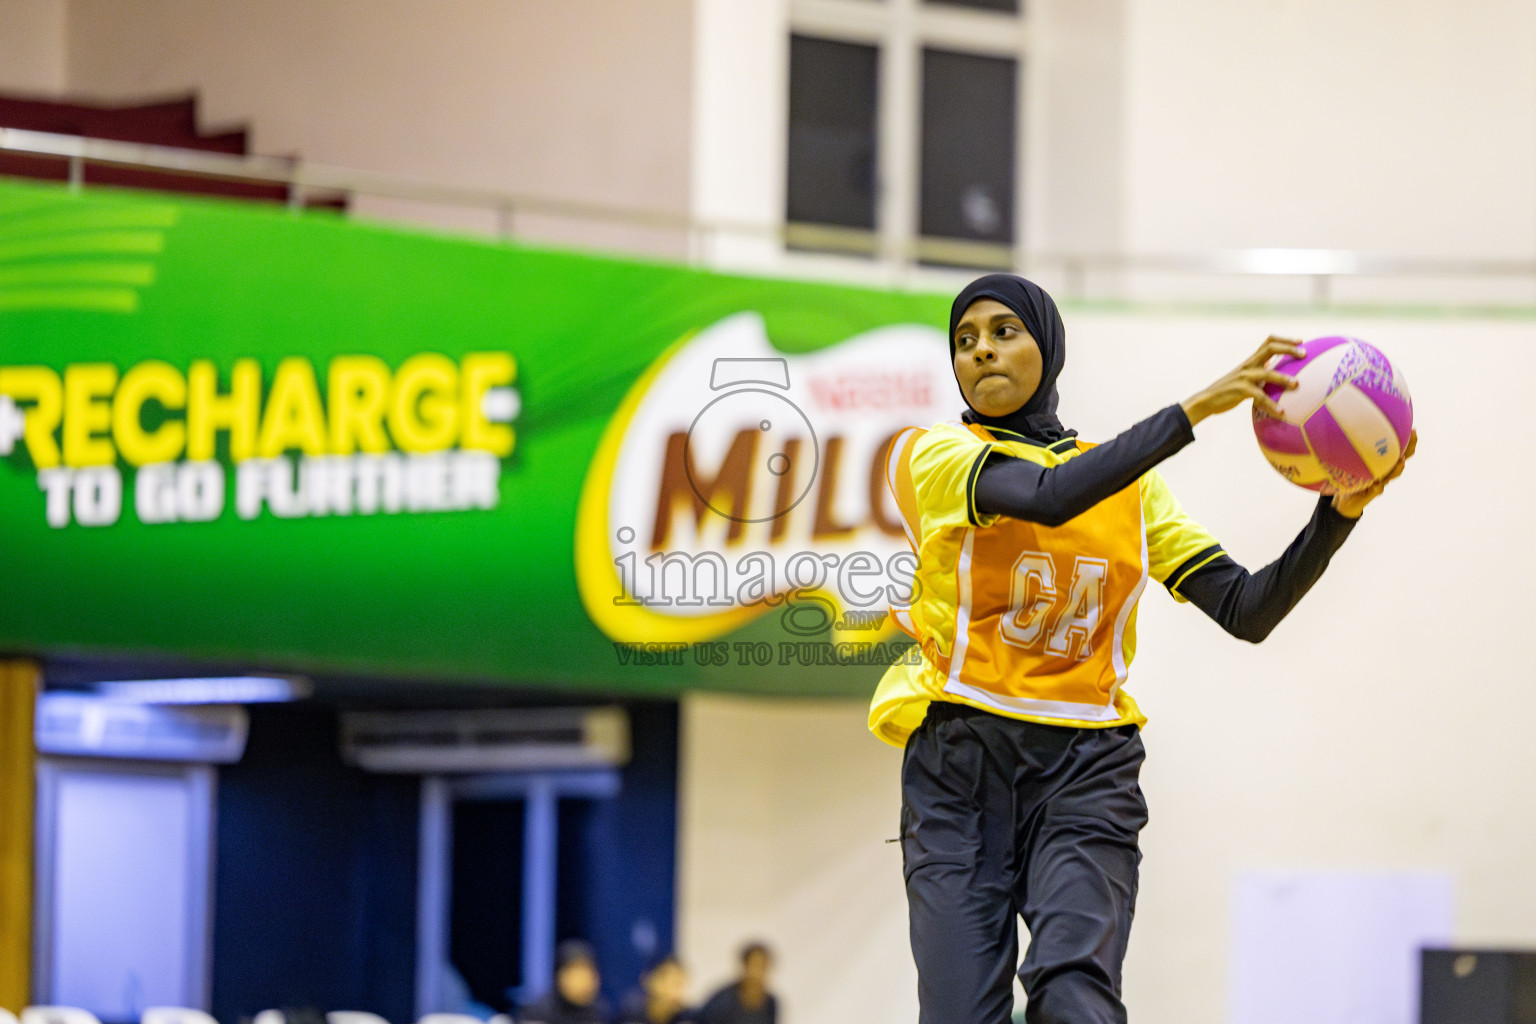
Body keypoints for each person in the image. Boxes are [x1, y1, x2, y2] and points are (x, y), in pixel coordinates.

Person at [869, 274, 1415, 1024]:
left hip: (1085, 771)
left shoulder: (1135, 491)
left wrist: (1337, 513)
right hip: (960, 767)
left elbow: (1247, 610)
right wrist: (1196, 409)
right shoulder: (931, 455)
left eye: (1003, 332)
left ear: (1047, 346)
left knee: (1075, 1000)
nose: (982, 352)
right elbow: (1051, 496)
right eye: (964, 341)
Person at [518, 940, 611, 1024]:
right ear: (558, 976)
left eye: (586, 971)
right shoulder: (537, 1012)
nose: (581, 979)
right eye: (574, 971)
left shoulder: (602, 1011)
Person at [697, 942, 777, 1024]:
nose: (757, 973)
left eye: (763, 967)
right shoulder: (722, 1001)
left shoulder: (770, 1004)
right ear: (744, 966)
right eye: (754, 966)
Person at [617, 954, 696, 1024]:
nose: (670, 983)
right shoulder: (632, 1014)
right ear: (647, 979)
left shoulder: (687, 1017)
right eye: (664, 976)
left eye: (678, 980)